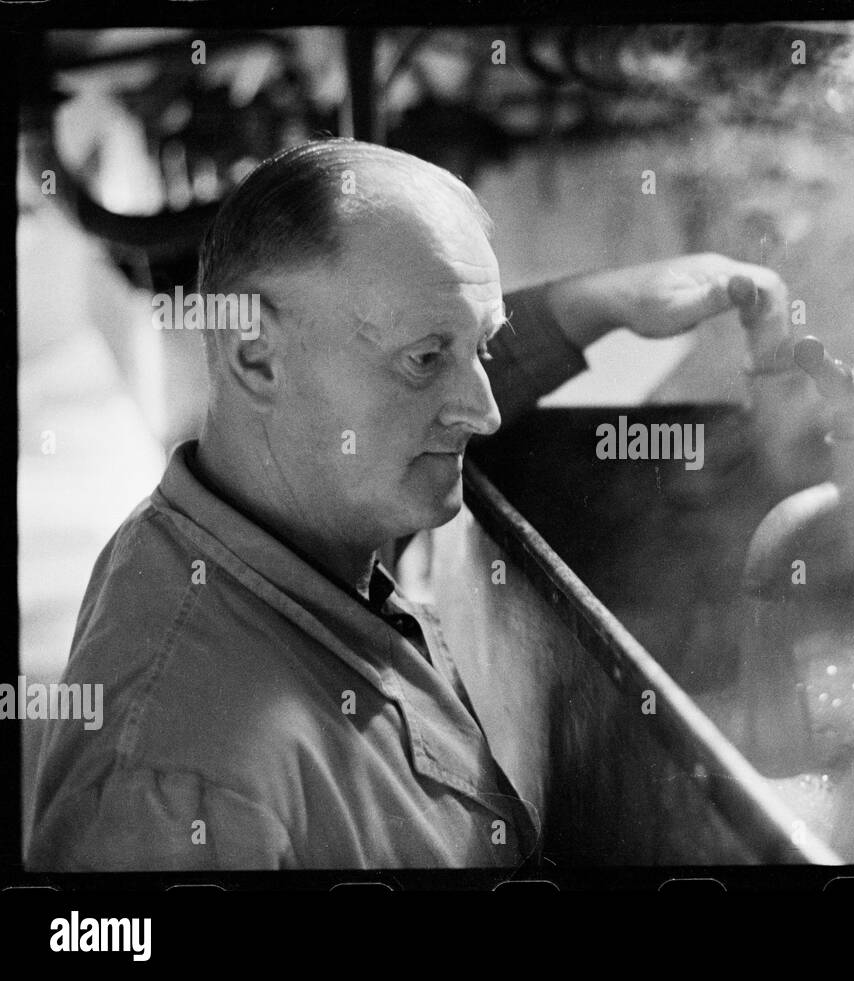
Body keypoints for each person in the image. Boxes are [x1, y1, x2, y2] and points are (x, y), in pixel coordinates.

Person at [27, 138, 790, 870]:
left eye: (482, 348)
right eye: (427, 359)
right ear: (255, 355)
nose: (484, 410)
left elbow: (411, 398)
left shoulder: (293, 506)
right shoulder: (180, 784)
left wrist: (604, 303)